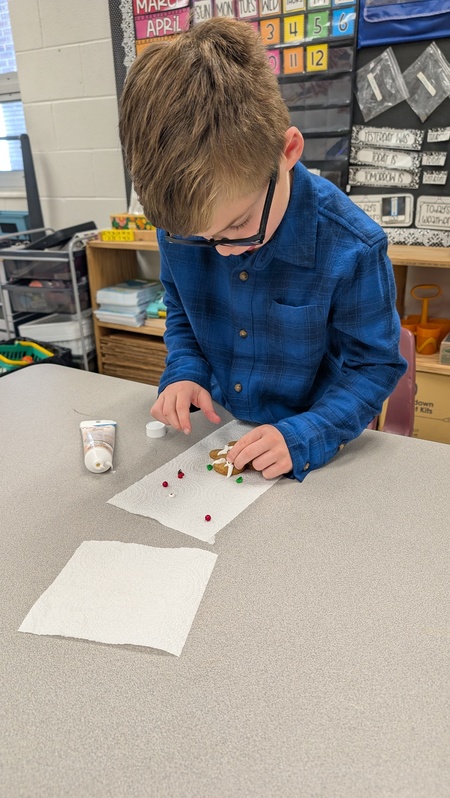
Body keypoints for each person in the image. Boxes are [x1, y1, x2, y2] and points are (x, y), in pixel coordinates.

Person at [119, 17, 406, 482]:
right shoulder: (184, 227)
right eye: (201, 240)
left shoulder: (352, 247)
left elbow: (373, 366)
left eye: (238, 225)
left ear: (287, 152)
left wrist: (308, 433)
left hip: (313, 450)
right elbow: (181, 311)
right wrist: (185, 370)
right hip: (217, 431)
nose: (223, 250)